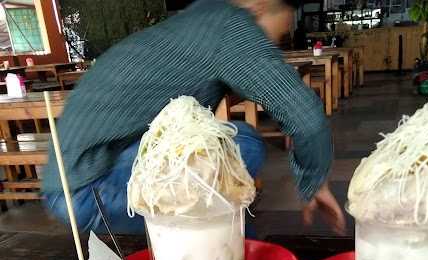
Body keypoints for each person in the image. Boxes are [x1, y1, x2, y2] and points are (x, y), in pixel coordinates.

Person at [43, 0, 344, 234]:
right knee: (243, 143)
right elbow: (305, 115)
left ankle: (227, 253)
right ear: (261, 5)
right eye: (277, 35)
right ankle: (222, 259)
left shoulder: (202, 15)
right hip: (88, 190)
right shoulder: (232, 25)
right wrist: (314, 182)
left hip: (71, 182)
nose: (270, 48)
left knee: (225, 189)